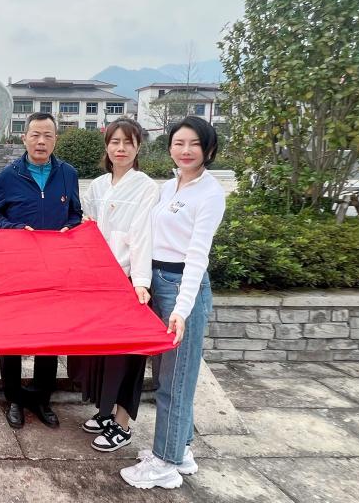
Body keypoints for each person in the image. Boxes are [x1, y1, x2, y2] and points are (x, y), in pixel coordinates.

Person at [120, 116, 226, 490]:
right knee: (169, 374)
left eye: (194, 144)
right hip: (158, 281)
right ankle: (180, 449)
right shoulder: (169, 186)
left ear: (208, 149)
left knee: (175, 381)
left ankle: (165, 463)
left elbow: (197, 257)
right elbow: (146, 235)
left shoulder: (209, 194)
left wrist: (181, 309)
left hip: (183, 287)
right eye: (179, 143)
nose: (185, 150)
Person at [0, 112, 82, 430]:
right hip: (16, 268)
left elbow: (76, 214)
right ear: (24, 137)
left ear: (55, 140)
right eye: (35, 135)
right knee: (13, 336)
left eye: (48, 135)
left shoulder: (68, 174)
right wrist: (15, 229)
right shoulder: (8, 176)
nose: (41, 141)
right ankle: (13, 398)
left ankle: (42, 398)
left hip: (54, 270)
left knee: (49, 337)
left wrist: (69, 229)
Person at [67, 118, 159, 452]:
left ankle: (122, 422)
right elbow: (88, 230)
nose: (121, 149)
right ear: (106, 146)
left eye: (128, 143)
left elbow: (143, 236)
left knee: (127, 355)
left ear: (138, 147)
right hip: (98, 280)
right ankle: (104, 412)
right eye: (115, 142)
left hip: (128, 281)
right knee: (102, 353)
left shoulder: (146, 187)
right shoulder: (97, 186)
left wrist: (142, 282)